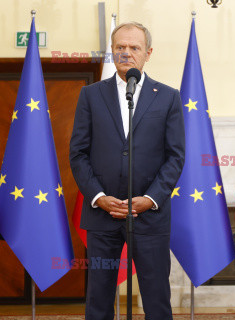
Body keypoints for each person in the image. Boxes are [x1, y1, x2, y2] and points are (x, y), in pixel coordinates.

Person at [70, 21, 185, 320]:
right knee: (98, 297)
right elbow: (78, 154)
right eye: (120, 47)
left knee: (157, 298)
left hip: (149, 215)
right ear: (112, 51)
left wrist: (151, 198)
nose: (126, 53)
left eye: (134, 47)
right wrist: (98, 196)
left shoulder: (169, 97)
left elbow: (175, 156)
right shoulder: (91, 95)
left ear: (148, 53)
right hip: (102, 214)